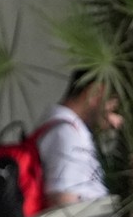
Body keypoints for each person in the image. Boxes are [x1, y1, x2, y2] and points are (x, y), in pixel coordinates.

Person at [35, 70, 122, 208]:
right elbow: (63, 204)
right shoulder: (68, 134)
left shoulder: (62, 127)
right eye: (114, 109)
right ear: (95, 92)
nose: (117, 122)